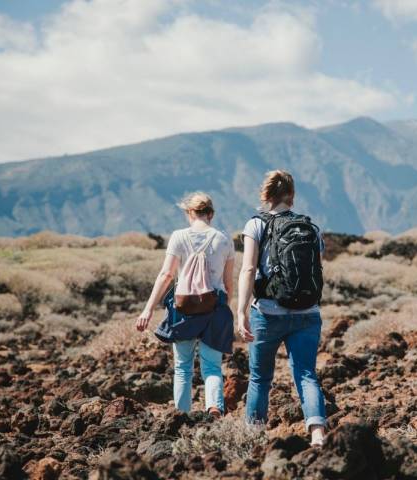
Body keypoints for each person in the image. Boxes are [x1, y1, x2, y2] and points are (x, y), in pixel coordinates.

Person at [237, 170, 327, 447]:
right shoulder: (312, 228)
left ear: (265, 196)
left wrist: (241, 311)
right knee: (306, 375)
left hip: (267, 313)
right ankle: (318, 434)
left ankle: (253, 438)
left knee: (260, 378)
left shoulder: (256, 225)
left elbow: (249, 268)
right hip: (308, 313)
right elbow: (317, 268)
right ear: (292, 195)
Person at [136, 192, 235, 416]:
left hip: (183, 308)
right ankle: (214, 410)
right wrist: (225, 310)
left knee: (182, 368)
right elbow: (229, 283)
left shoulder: (178, 237)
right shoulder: (224, 238)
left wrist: (148, 309)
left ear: (189, 213)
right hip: (215, 305)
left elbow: (166, 275)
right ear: (211, 213)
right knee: (211, 367)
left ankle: (181, 417)